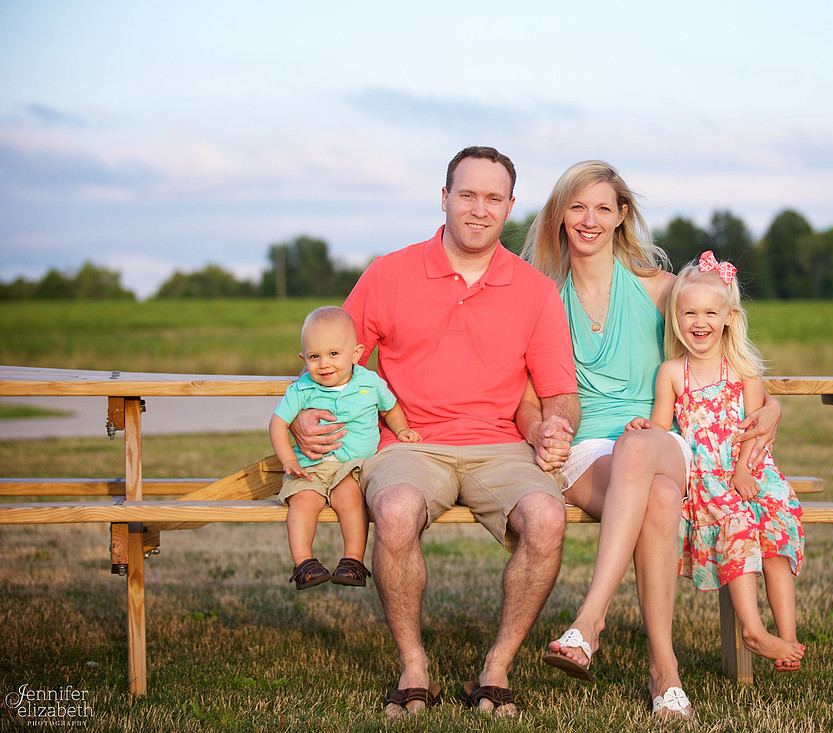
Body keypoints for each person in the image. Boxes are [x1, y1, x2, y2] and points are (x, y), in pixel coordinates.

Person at [290, 147, 580, 719]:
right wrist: (305, 412)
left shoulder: (535, 290)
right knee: (395, 509)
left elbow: (559, 390)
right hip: (409, 444)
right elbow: (334, 360)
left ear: (511, 207)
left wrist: (557, 426)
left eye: (493, 198)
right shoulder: (388, 274)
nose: (479, 208)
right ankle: (414, 667)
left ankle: (496, 669)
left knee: (547, 519)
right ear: (443, 197)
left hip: (501, 445)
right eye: (467, 194)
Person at [519, 161, 782, 721]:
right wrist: (540, 431)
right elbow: (522, 396)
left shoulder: (661, 290)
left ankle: (589, 621)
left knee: (639, 447)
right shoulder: (538, 297)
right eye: (577, 207)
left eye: (603, 208)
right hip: (585, 454)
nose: (589, 220)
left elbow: (727, 344)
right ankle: (664, 670)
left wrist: (772, 404)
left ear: (621, 217)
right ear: (559, 216)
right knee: (659, 498)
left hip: (664, 443)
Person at [630, 252, 805, 671]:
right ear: (676, 318)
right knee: (738, 526)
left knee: (775, 535)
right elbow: (663, 427)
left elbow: (754, 428)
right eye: (689, 312)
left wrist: (745, 468)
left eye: (710, 312)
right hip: (708, 481)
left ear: (729, 316)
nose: (699, 321)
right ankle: (751, 628)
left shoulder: (743, 369)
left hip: (751, 470)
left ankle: (788, 636)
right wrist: (646, 428)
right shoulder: (672, 372)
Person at [269, 306, 421, 591]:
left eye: (333, 354)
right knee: (302, 502)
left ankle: (353, 561)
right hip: (310, 466)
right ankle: (304, 564)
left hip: (350, 468)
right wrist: (289, 459)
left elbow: (390, 408)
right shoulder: (301, 389)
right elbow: (278, 424)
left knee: (350, 499)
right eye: (314, 356)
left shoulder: (369, 383)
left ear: (356, 354)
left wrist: (401, 429)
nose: (324, 364)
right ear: (304, 359)